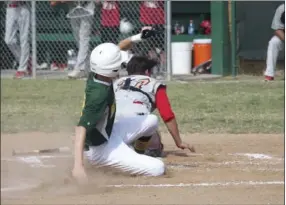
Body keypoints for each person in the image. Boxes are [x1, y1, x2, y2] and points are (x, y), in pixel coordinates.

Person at [72, 27, 165, 184]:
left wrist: (138, 37)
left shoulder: (97, 71)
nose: (122, 66)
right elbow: (81, 128)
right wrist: (78, 166)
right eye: (119, 64)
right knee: (158, 168)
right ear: (112, 68)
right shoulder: (98, 95)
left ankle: (135, 153)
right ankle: (111, 161)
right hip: (99, 148)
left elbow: (119, 47)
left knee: (151, 120)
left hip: (108, 130)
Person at [113, 56, 196, 158]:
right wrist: (179, 142)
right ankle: (139, 152)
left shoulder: (116, 83)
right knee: (154, 144)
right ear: (147, 71)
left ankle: (121, 147)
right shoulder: (154, 83)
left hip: (113, 128)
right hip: (138, 124)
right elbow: (167, 115)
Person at [66, 1, 95, 79]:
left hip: (87, 6)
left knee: (84, 37)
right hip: (73, 7)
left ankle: (79, 68)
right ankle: (88, 68)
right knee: (78, 39)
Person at [4, 1, 31, 79]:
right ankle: (26, 61)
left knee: (24, 39)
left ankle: (22, 69)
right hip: (10, 8)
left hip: (22, 7)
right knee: (8, 40)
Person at [264, 3, 285, 81]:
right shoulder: (282, 8)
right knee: (273, 42)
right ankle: (269, 74)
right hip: (284, 36)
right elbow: (277, 29)